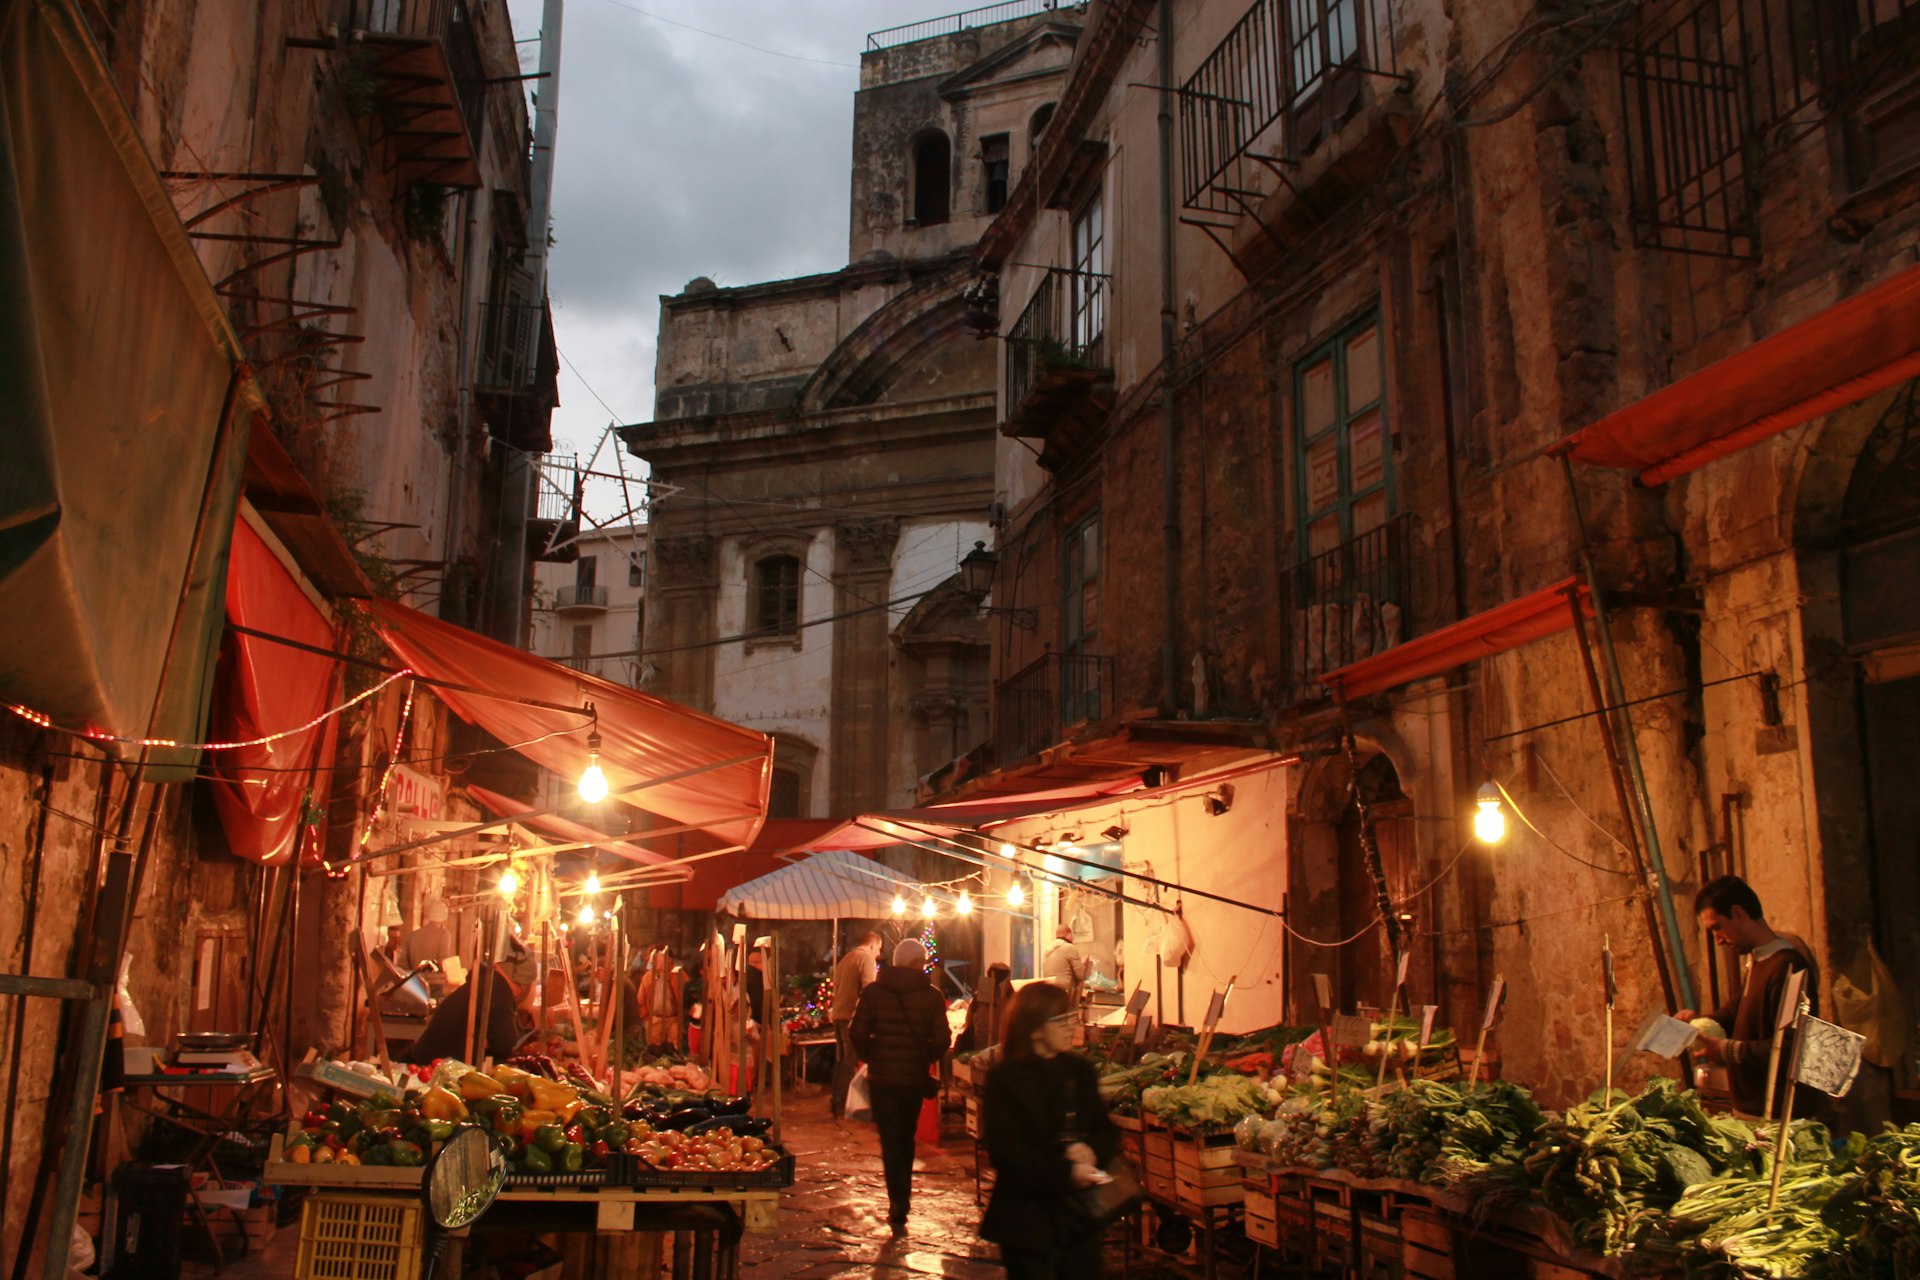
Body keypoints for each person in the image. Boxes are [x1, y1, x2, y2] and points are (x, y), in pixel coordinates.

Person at [980, 981, 1119, 1279]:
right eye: (1061, 1021)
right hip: (1027, 1225)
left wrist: (1092, 1150)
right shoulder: (1004, 1079)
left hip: (1079, 1221)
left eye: (1072, 1018)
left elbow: (1106, 1131)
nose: (1071, 1027)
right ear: (1034, 1029)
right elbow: (1007, 1154)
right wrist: (1066, 1172)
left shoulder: (1080, 1072)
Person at [1677, 874, 1818, 1117]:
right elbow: (1737, 1012)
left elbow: (1790, 1048)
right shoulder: (1759, 961)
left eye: (1717, 928)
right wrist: (1698, 1024)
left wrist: (1725, 1050)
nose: (1718, 940)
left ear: (1738, 914)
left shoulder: (1789, 967)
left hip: (1778, 1117)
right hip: (1751, 1109)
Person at [850, 937, 950, 1234]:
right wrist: (924, 1058)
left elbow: (857, 1032)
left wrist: (873, 1057)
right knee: (905, 1137)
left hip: (882, 1079)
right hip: (912, 1080)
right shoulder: (931, 996)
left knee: (890, 1138)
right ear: (917, 963)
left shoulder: (874, 993)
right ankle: (901, 1199)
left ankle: (897, 1200)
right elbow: (943, 1040)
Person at [400, 940, 537, 1064]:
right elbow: (505, 1044)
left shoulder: (487, 983)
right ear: (522, 984)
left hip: (429, 1060)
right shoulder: (495, 987)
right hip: (429, 1068)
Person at [830, 932, 883, 1119]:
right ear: (871, 945)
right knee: (849, 1061)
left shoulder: (846, 959)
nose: (878, 954)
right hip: (852, 1017)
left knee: (840, 1060)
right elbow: (869, 990)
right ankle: (846, 1104)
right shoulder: (866, 959)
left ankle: (836, 1102)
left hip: (838, 1015)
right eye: (878, 949)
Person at [636, 947, 687, 1051]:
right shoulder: (648, 977)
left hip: (673, 1019)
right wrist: (646, 1019)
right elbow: (640, 1000)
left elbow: (686, 993)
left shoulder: (677, 975)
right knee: (654, 1050)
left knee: (674, 1050)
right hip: (654, 1020)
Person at [403, 900, 455, 995]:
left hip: (415, 983)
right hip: (434, 984)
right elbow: (443, 960)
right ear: (444, 917)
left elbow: (405, 964)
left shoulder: (413, 935)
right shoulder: (444, 935)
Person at [1043, 923, 1089, 995]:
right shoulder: (1069, 947)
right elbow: (1080, 975)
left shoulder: (1048, 949)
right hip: (1064, 992)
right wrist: (1084, 963)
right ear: (1069, 935)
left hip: (1049, 991)